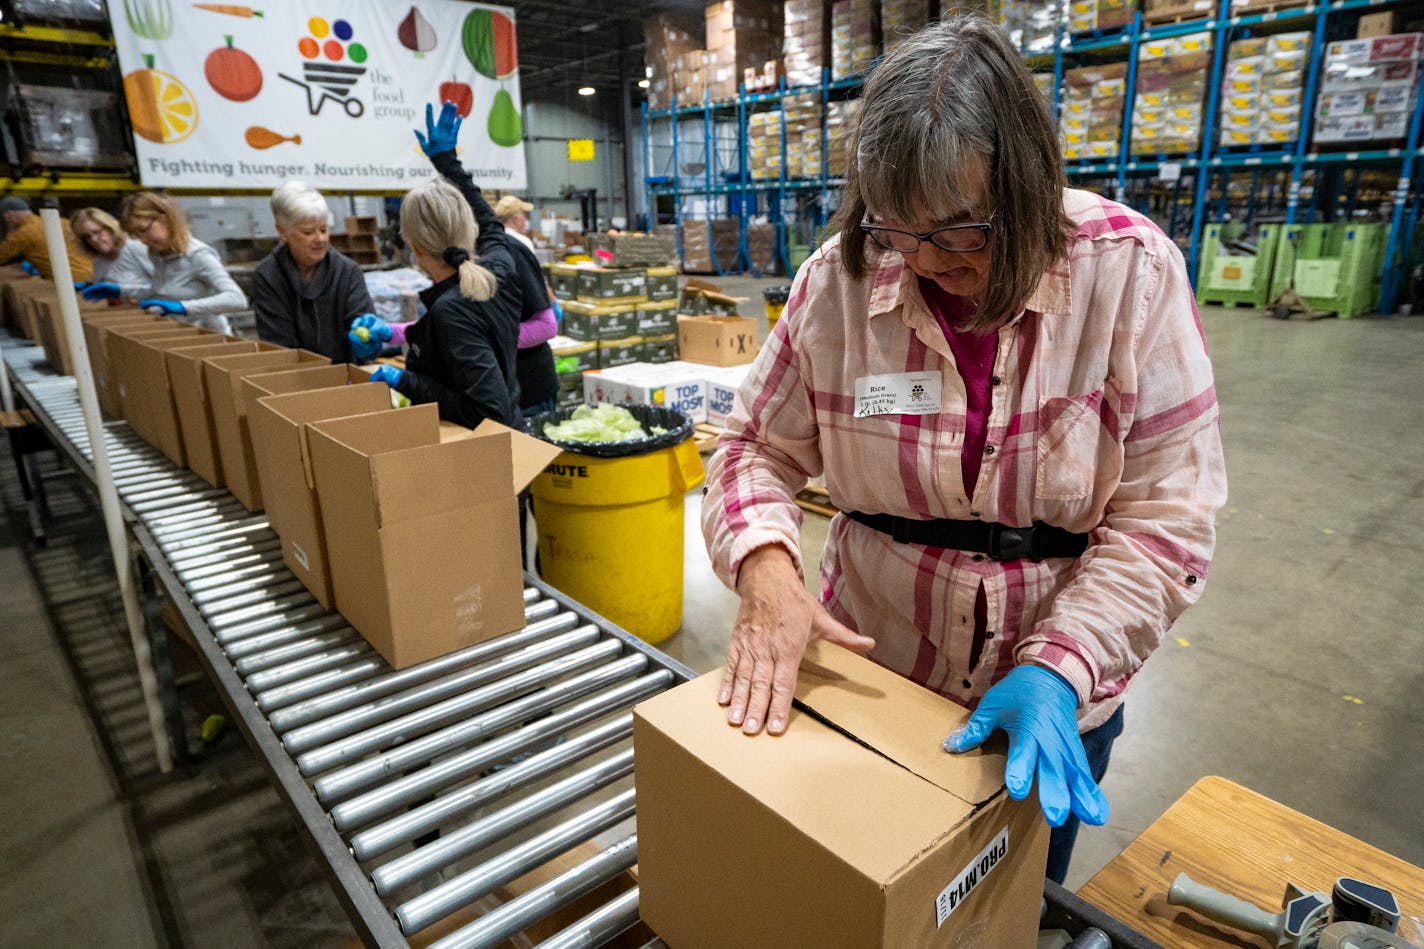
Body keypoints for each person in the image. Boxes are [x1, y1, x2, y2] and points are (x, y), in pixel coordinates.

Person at [702, 15, 1227, 886]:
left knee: (1003, 908)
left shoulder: (1130, 275)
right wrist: (764, 565)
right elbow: (753, 445)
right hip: (879, 680)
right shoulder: (840, 281)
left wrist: (1064, 666)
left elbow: (1167, 521)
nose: (921, 260)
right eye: (895, 228)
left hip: (1045, 710)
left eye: (956, 231)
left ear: (1025, 187)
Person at [363, 177, 519, 430]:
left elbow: (489, 411)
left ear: (414, 244)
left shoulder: (451, 310)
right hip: (511, 437)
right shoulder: (499, 271)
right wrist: (448, 161)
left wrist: (406, 381)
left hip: (477, 453)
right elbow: (493, 227)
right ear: (469, 229)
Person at [82, 192, 247, 334]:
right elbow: (163, 291)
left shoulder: (197, 255)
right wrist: (122, 291)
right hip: (180, 335)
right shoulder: (157, 254)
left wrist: (183, 307)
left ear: (165, 219)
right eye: (135, 234)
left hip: (210, 340)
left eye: (144, 230)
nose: (141, 240)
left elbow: (237, 299)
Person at [251, 181, 374, 362]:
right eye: (308, 232)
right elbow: (278, 345)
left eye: (324, 229)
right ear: (282, 231)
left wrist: (366, 337)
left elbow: (362, 322)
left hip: (347, 378)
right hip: (294, 381)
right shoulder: (268, 276)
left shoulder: (347, 272)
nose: (320, 239)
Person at [0, 196, 94, 282]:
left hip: (71, 282)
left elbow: (2, 256)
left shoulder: (22, 234)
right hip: (95, 274)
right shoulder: (64, 222)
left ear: (9, 214)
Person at [72, 207, 154, 289]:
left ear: (110, 228)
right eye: (87, 237)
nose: (93, 239)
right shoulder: (99, 261)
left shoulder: (136, 248)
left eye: (96, 232)